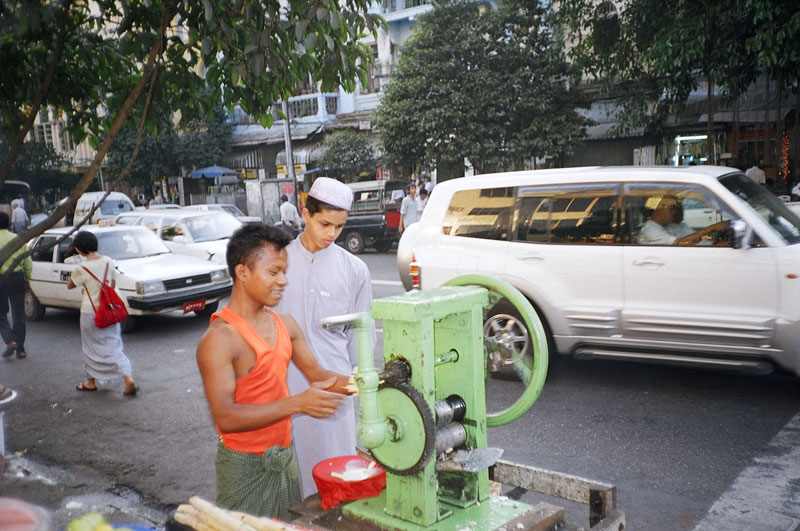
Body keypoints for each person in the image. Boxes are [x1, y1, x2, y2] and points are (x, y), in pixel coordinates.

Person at [196, 223, 354, 519]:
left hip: (284, 458)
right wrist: (297, 403)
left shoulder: (285, 324)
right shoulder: (220, 339)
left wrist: (372, 383)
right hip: (244, 466)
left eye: (284, 271)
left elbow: (321, 378)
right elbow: (226, 418)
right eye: (273, 272)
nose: (283, 281)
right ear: (242, 272)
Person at [274, 177, 373, 498]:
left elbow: (362, 334)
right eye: (325, 223)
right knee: (290, 476)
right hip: (284, 385)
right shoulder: (278, 263)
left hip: (334, 386)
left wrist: (359, 382)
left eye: (340, 227)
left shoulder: (354, 269)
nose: (331, 234)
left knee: (337, 474)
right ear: (305, 213)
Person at [66, 231, 138, 396]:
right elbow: (111, 284)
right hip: (109, 311)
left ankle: (90, 382)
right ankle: (128, 379)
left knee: (90, 348)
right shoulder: (108, 262)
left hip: (90, 313)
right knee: (113, 345)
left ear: (80, 249)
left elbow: (70, 285)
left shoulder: (81, 268)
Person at [0, 212, 31, 360]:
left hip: (1, 279)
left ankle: (10, 340)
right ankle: (21, 349)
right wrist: (27, 279)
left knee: (0, 315)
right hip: (17, 277)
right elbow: (28, 262)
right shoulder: (18, 239)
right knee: (19, 314)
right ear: (9, 224)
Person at [639, 197, 725, 246]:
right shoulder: (651, 230)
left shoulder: (671, 226)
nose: (676, 211)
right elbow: (680, 243)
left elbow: (696, 240)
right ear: (658, 209)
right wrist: (710, 229)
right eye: (671, 208)